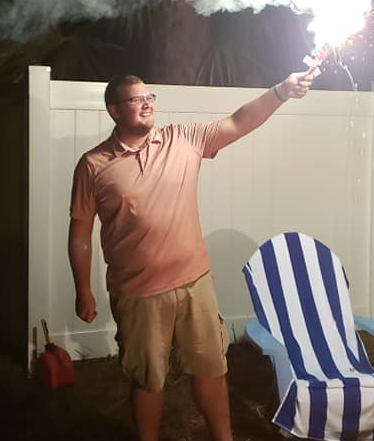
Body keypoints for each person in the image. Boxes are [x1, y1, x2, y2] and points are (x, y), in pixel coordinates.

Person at [68, 71, 313, 441]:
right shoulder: (93, 165)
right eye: (136, 99)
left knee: (211, 369)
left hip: (195, 283)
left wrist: (281, 92)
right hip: (138, 293)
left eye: (149, 97)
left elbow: (239, 121)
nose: (146, 104)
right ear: (114, 110)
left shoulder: (181, 139)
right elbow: (80, 234)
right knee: (148, 379)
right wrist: (83, 290)